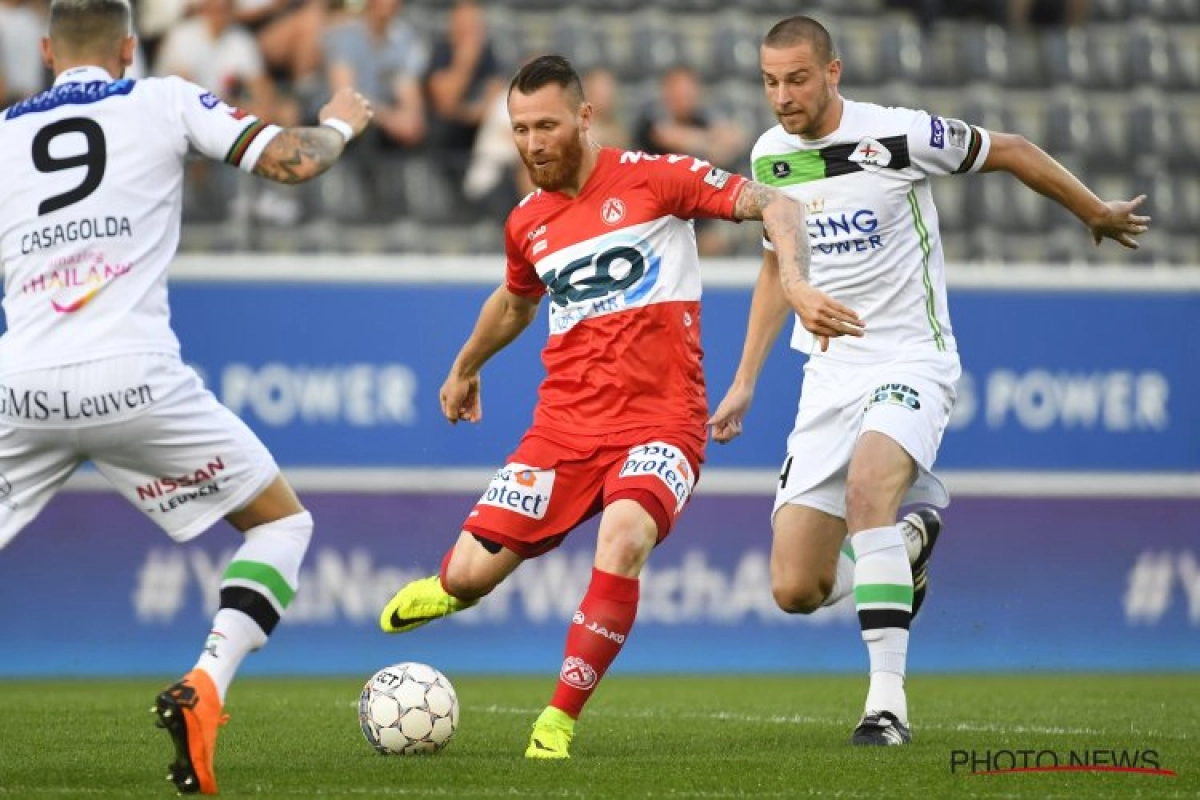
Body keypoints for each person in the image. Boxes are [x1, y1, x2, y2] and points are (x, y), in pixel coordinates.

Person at [708, 15, 1150, 746]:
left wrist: (1092, 211)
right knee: (796, 588)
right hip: (828, 375)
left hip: (911, 356)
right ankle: (905, 546)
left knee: (866, 495)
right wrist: (746, 379)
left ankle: (885, 707)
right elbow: (772, 265)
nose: (782, 96)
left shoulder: (899, 136)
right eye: (769, 81)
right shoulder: (772, 157)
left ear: (833, 72)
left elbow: (1007, 149)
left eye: (796, 78)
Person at [378, 54, 820, 759]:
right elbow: (516, 301)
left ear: (584, 118)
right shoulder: (526, 221)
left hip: (662, 423)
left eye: (546, 125)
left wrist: (794, 280)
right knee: (468, 575)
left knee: (623, 539)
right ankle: (450, 587)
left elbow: (778, 201)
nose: (532, 144)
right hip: (562, 432)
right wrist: (465, 367)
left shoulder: (656, 177)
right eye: (519, 130)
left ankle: (556, 721)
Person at [0, 0, 372, 793]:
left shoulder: (2, 135)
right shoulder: (163, 96)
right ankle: (206, 685)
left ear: (43, 51)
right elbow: (291, 161)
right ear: (128, 48)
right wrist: (337, 122)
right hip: (133, 375)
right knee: (282, 524)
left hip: (21, 384)